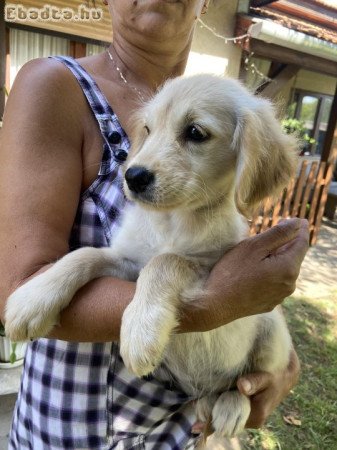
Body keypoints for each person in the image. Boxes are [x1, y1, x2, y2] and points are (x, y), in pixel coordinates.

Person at [0, 0, 308, 448]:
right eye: (145, 133)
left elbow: (242, 285)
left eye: (196, 135)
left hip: (185, 431)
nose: (139, 165)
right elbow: (18, 288)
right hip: (69, 429)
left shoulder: (225, 109)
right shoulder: (55, 85)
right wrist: (214, 302)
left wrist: (276, 366)